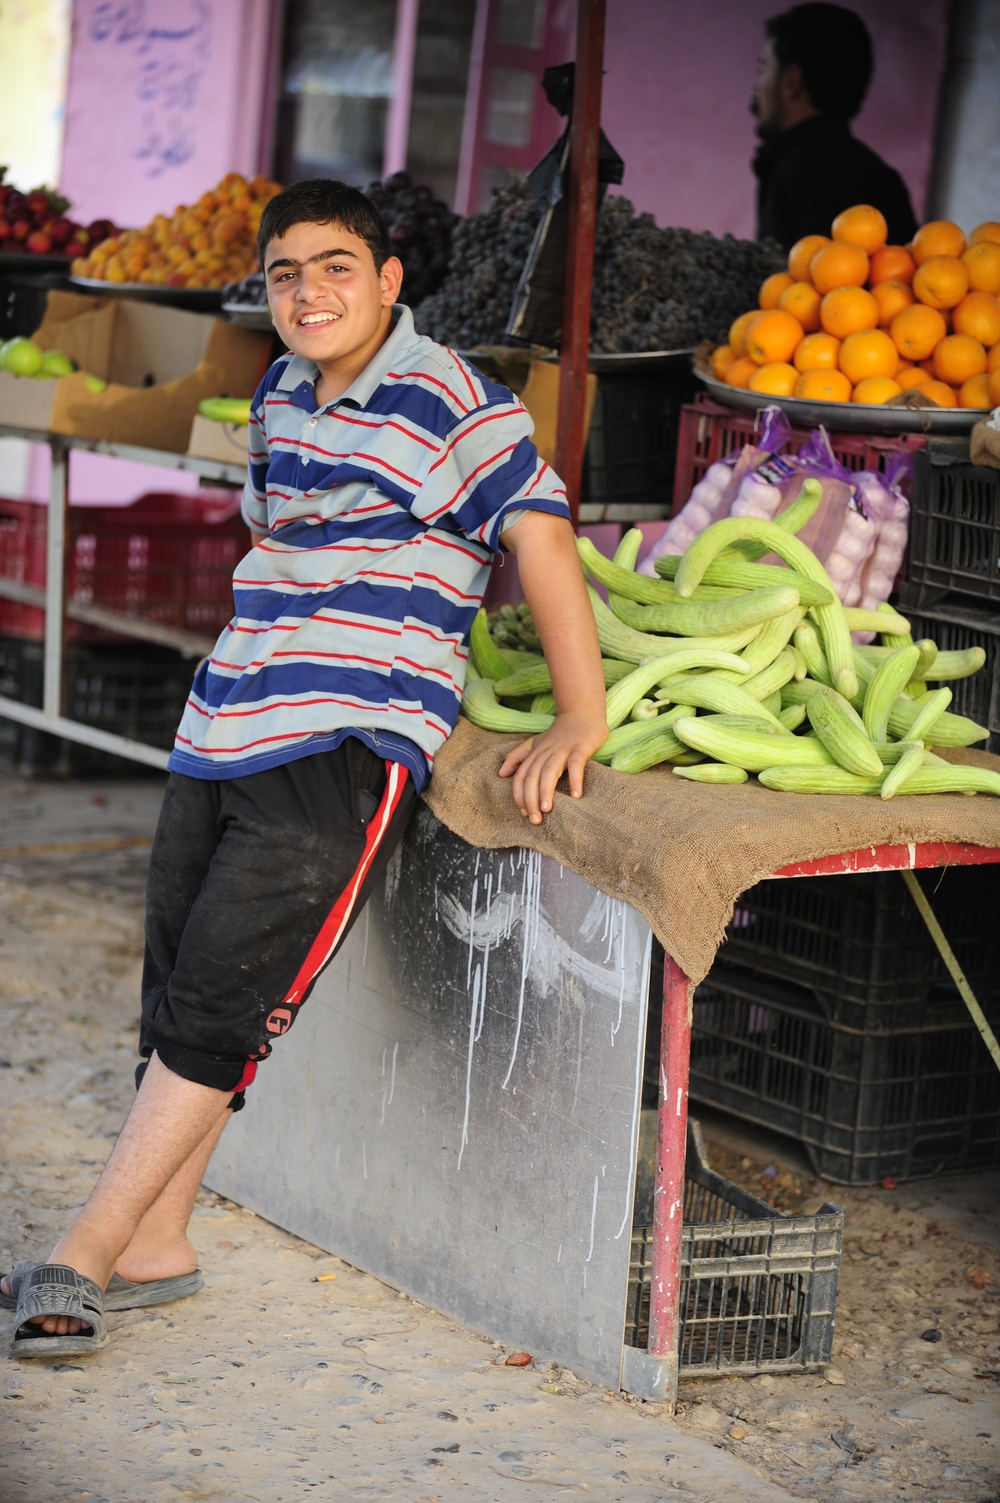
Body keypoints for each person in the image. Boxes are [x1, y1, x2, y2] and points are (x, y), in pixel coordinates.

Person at [4, 178, 609, 1357]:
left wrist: (578, 712)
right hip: (225, 716)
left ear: (389, 282)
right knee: (182, 984)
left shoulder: (455, 402)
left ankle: (78, 1252)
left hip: (346, 729)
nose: (307, 292)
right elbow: (279, 540)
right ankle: (157, 1239)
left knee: (227, 994)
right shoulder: (279, 393)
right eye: (285, 273)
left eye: (336, 267)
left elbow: (538, 529)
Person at [751, 3, 918, 251]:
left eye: (763, 69)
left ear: (791, 81)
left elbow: (793, 284)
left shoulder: (798, 175)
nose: (756, 88)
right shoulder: (884, 177)